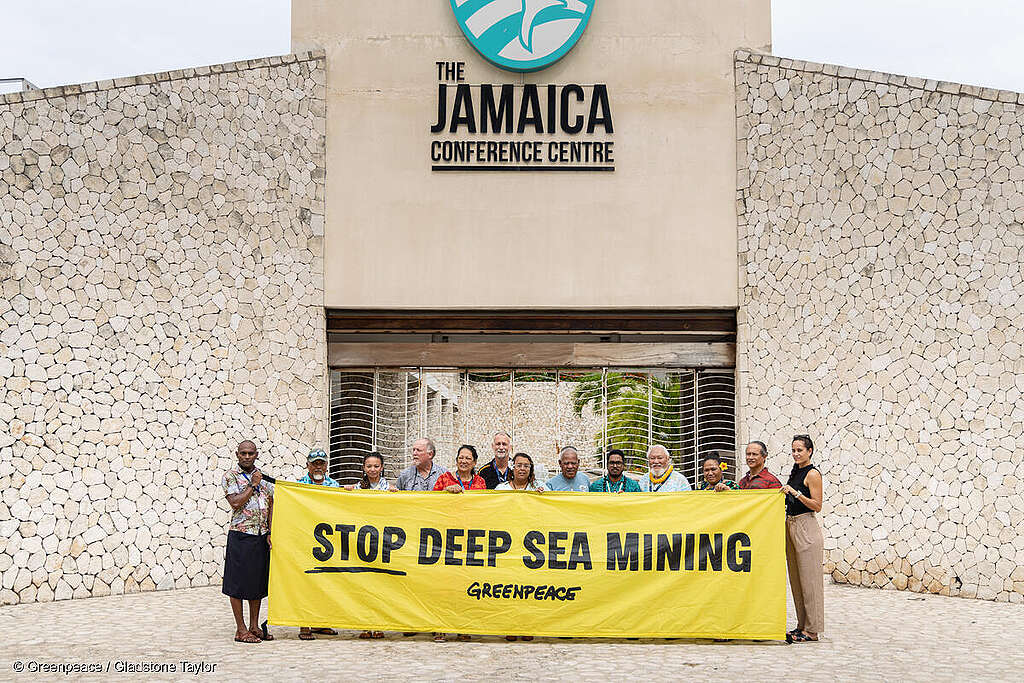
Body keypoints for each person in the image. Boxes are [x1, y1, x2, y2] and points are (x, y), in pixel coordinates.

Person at [221, 440, 274, 643]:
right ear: (237, 454)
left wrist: (270, 531)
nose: (246, 456)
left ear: (256, 454)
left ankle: (254, 626)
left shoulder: (263, 477)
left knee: (257, 583)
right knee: (237, 583)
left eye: (250, 453)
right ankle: (240, 629)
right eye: (243, 453)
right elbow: (235, 502)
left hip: (260, 536)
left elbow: (272, 503)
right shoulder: (230, 476)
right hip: (241, 535)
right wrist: (252, 484)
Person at [781, 435, 824, 643]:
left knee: (810, 581)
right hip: (791, 524)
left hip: (806, 525)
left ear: (810, 451)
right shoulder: (796, 471)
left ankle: (813, 630)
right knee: (797, 580)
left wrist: (796, 494)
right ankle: (802, 626)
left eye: (800, 450)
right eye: (794, 450)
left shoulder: (813, 474)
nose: (796, 454)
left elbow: (817, 505)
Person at [295, 448, 340, 640]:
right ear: (308, 465)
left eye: (321, 463)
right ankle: (304, 624)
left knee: (326, 581)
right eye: (314, 463)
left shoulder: (334, 485)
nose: (318, 467)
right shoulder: (297, 487)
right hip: (305, 540)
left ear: (327, 465)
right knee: (305, 582)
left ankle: (321, 622)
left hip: (327, 543)